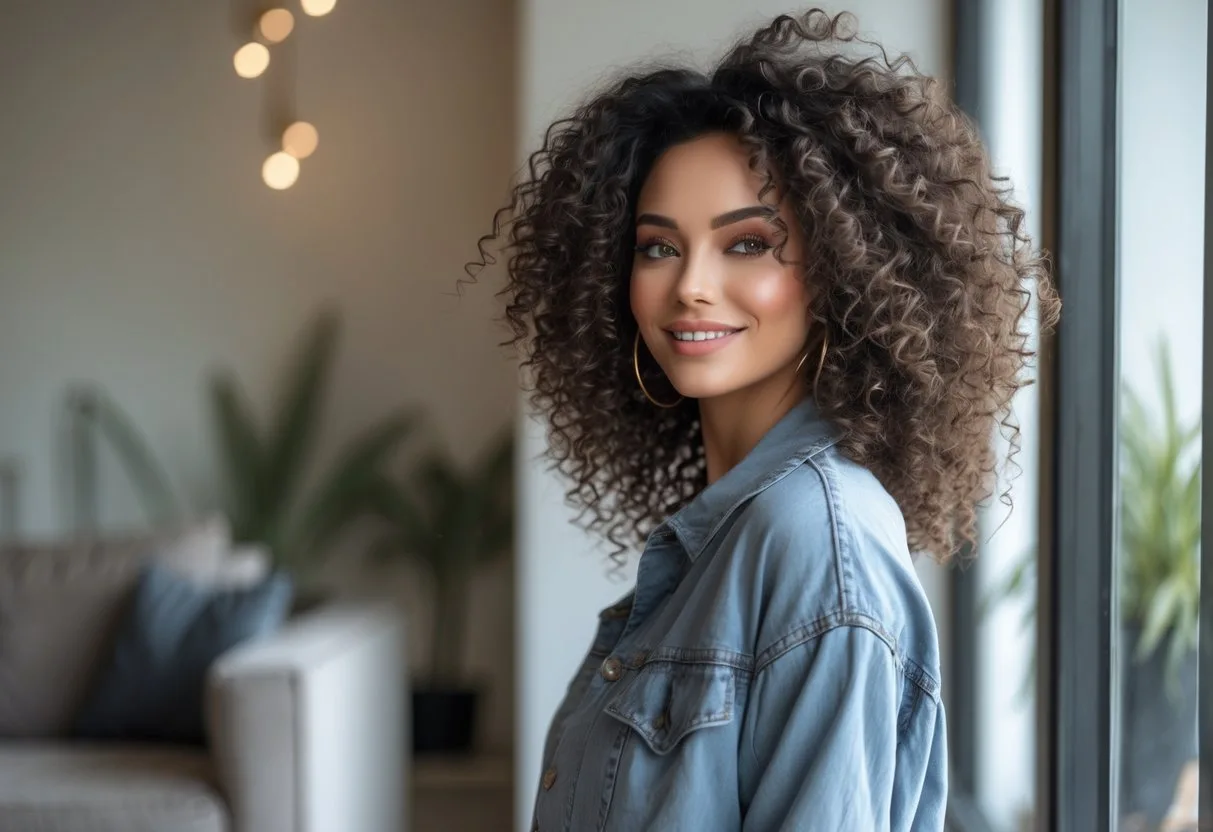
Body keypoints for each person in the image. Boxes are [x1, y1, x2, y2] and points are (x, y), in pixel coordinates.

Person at [470, 8, 1059, 831]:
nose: (691, 287)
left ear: (843, 269)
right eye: (657, 247)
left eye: (746, 243)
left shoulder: (814, 543)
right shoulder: (732, 537)